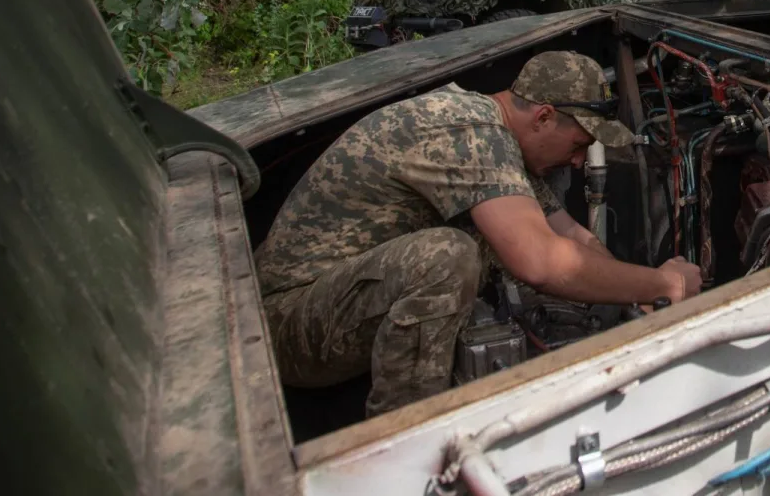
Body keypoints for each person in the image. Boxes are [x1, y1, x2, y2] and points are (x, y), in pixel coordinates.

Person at [253, 50, 701, 417]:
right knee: (447, 256)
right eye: (580, 145)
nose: (580, 161)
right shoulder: (473, 133)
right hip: (288, 325)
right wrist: (666, 283)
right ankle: (407, 443)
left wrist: (638, 292)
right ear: (544, 117)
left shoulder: (494, 136)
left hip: (328, 305)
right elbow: (541, 262)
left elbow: (574, 240)